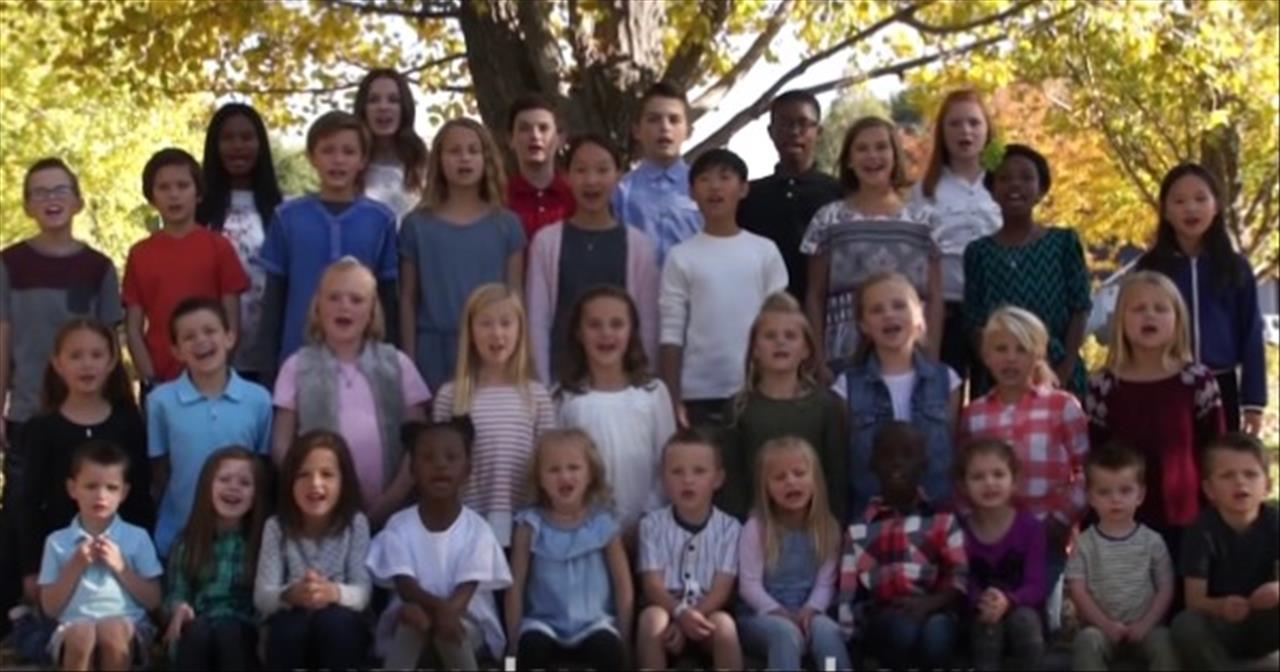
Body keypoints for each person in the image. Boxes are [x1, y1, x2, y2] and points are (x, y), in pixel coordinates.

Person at [1, 159, 125, 634]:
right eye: (39, 192)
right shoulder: (10, 264)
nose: (50, 199)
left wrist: (119, 407)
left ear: (78, 200)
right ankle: (19, 605)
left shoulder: (98, 267)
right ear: (27, 205)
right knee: (23, 506)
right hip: (29, 407)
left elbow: (111, 344)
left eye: (60, 190)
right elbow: (3, 338)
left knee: (86, 502)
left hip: (86, 413)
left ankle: (88, 603)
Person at [271, 258, 430, 527]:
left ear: (372, 312)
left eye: (356, 300)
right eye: (334, 297)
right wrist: (311, 490)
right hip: (322, 514)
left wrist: (392, 499)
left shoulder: (398, 364)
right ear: (318, 306)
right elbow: (281, 445)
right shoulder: (297, 366)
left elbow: (418, 441)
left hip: (393, 513)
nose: (344, 306)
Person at [1085, 271, 1225, 554]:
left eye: (1161, 308)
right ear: (1121, 320)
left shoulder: (1197, 381)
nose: (1149, 315)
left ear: (1178, 319)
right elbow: (1093, 454)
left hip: (1186, 520)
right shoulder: (1103, 385)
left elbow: (1215, 450)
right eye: (1138, 309)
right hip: (1121, 522)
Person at [255, 110, 400, 376]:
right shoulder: (287, 217)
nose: (338, 160)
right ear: (312, 157)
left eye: (348, 152)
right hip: (298, 355)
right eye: (328, 150)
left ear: (362, 159)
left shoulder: (381, 220)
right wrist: (267, 369)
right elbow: (274, 298)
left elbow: (388, 298)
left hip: (364, 361)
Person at [20, 320, 152, 604]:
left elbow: (141, 495)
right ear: (58, 363)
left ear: (112, 361)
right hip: (61, 560)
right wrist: (31, 567)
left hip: (121, 557)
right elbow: (29, 502)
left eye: (96, 355)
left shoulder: (128, 423)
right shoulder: (43, 428)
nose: (87, 365)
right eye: (76, 356)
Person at [366, 418, 512, 670]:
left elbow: (465, 592)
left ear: (467, 470)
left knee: (447, 626)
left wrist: (443, 613)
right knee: (414, 619)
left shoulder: (477, 530)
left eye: (451, 457)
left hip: (466, 624)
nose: (440, 465)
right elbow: (406, 587)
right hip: (413, 620)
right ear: (412, 470)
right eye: (428, 458)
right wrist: (437, 611)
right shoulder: (398, 526)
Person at [659, 148, 788, 431]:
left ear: (743, 189)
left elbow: (781, 321)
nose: (715, 187)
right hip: (699, 393)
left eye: (725, 177)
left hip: (757, 388)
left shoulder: (764, 252)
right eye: (704, 179)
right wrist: (671, 397)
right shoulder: (681, 257)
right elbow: (671, 331)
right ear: (691, 192)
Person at [801, 116, 943, 372]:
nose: (872, 156)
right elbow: (815, 295)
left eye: (881, 147)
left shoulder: (925, 220)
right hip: (844, 360)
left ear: (895, 155)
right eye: (862, 149)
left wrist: (931, 356)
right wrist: (818, 361)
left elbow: (934, 297)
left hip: (910, 358)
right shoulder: (828, 219)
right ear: (849, 160)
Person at [960, 306, 1088, 589]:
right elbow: (962, 476)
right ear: (987, 356)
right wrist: (971, 522)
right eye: (1001, 349)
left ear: (1038, 355)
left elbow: (1086, 470)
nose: (1010, 358)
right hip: (991, 540)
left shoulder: (1062, 407)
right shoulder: (975, 415)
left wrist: (1062, 518)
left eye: (1021, 349)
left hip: (1046, 535)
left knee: (1034, 608)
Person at [1135, 164, 1266, 435]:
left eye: (1200, 199)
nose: (1191, 208)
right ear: (1165, 210)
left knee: (1219, 458)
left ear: (1216, 206)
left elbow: (1252, 332)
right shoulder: (1150, 267)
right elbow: (1132, 328)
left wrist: (1253, 402)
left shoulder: (1235, 267)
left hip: (1221, 385)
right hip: (1164, 383)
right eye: (1179, 201)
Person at [400, 117, 525, 390]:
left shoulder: (507, 225)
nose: (464, 158)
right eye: (454, 151)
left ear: (486, 158)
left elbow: (515, 296)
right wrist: (409, 364)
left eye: (473, 150)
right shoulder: (416, 225)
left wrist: (518, 358)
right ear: (439, 160)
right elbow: (408, 299)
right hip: (434, 351)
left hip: (491, 350)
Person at [526, 133, 659, 384]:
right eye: (581, 170)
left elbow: (648, 321)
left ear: (618, 175)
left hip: (623, 384)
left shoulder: (638, 245)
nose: (591, 180)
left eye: (602, 170)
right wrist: (541, 387)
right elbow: (537, 320)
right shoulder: (546, 242)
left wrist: (645, 379)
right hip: (561, 381)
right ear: (567, 176)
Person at [432, 284, 556, 547]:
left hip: (522, 524)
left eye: (506, 323)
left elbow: (549, 462)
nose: (496, 333)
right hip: (467, 523)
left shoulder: (536, 395)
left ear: (520, 330)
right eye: (485, 323)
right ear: (470, 331)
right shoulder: (450, 396)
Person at [148, 298, 273, 557]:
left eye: (210, 331)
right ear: (176, 351)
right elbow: (159, 469)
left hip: (240, 540)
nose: (201, 341)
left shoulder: (258, 399)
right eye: (189, 336)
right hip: (179, 536)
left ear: (229, 337)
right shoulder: (160, 402)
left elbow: (262, 467)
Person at [964, 143, 1091, 398]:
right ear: (992, 190)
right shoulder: (979, 252)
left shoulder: (1063, 243)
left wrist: (1064, 370)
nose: (1015, 184)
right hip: (999, 376)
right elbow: (975, 321)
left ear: (1041, 190)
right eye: (1004, 178)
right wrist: (997, 370)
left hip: (1059, 369)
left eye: (1026, 178)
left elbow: (1080, 308)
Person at [838, 422, 966, 670]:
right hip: (886, 619)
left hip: (935, 609)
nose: (897, 463)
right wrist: (849, 639)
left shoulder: (942, 519)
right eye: (887, 455)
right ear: (872, 463)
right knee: (903, 630)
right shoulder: (859, 528)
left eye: (908, 455)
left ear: (924, 463)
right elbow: (848, 595)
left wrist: (930, 604)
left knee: (936, 636)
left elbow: (960, 576)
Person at [505, 429, 634, 671]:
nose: (564, 476)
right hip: (543, 623)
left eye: (574, 467)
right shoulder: (530, 525)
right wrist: (513, 642)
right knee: (529, 650)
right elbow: (515, 586)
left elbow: (623, 585)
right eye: (553, 470)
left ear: (591, 473)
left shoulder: (603, 524)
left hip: (594, 623)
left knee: (608, 651)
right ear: (539, 478)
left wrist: (624, 638)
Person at [123, 148, 249, 387]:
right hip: (161, 379)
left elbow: (232, 319)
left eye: (182, 186)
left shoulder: (219, 247)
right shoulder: (140, 254)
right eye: (164, 188)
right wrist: (150, 378)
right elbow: (133, 328)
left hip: (213, 376)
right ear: (151, 197)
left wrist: (218, 370)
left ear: (198, 193)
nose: (174, 195)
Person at [839, 272, 960, 517]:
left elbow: (955, 448)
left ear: (919, 315)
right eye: (877, 310)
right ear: (863, 325)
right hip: (871, 523)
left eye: (899, 305)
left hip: (935, 521)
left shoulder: (946, 381)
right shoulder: (846, 386)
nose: (889, 315)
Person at [555, 286, 674, 534]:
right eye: (594, 325)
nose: (606, 333)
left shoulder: (653, 393)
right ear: (578, 332)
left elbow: (667, 462)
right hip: (584, 531)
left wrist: (646, 520)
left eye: (617, 324)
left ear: (632, 331)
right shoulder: (564, 397)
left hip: (648, 531)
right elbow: (556, 466)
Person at [37, 441, 163, 671]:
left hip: (129, 624)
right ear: (72, 488)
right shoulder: (57, 542)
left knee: (112, 630)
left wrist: (121, 567)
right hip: (72, 626)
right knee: (81, 634)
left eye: (111, 488)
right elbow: (50, 608)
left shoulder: (137, 537)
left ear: (124, 492)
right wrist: (75, 565)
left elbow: (153, 599)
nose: (101, 495)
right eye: (91, 486)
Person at [720, 292, 845, 522]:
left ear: (806, 349)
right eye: (770, 336)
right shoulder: (739, 409)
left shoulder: (827, 405)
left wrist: (835, 527)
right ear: (755, 349)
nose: (780, 342)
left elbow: (838, 478)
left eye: (790, 336)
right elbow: (733, 484)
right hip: (757, 529)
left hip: (817, 528)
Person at [255, 430, 372, 670]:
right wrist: (290, 594)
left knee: (335, 623)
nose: (315, 484)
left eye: (327, 474)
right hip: (292, 618)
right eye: (303, 475)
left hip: (341, 619)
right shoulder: (276, 527)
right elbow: (262, 597)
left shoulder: (355, 524)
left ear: (343, 481)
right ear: (290, 481)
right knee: (289, 629)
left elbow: (363, 592)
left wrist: (333, 593)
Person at [909, 89, 1002, 383]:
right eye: (955, 123)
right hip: (944, 311)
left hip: (995, 310)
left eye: (974, 123)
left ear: (987, 129)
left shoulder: (1003, 184)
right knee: (944, 389)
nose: (965, 131)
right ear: (942, 132)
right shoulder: (924, 191)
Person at [739, 437, 849, 671]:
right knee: (785, 634)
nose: (791, 481)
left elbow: (825, 583)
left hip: (809, 610)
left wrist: (811, 610)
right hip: (762, 614)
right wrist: (778, 612)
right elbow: (749, 585)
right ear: (766, 488)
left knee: (827, 632)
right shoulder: (757, 528)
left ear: (815, 480)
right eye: (779, 477)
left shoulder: (828, 528)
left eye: (799, 473)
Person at [634, 430, 742, 670]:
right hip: (667, 610)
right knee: (651, 620)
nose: (688, 480)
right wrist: (680, 614)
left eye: (699, 471)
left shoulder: (730, 528)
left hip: (707, 614)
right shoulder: (651, 525)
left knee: (725, 626)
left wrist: (690, 620)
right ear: (663, 478)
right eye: (677, 472)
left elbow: (721, 589)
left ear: (718, 479)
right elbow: (652, 585)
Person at [1172, 433, 1279, 670]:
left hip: (1266, 623)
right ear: (1209, 490)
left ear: (1268, 485)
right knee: (1184, 624)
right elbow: (1194, 601)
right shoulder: (1200, 531)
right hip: (1221, 628)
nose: (1240, 482)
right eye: (1227, 476)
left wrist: (1276, 589)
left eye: (1250, 474)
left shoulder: (1275, 522)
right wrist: (1221, 606)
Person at [1066, 443, 1177, 671]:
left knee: (1165, 641)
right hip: (1100, 629)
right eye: (1104, 492)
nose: (1115, 499)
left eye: (1125, 491)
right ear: (1091, 497)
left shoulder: (1152, 541)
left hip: (1146, 629)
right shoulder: (1084, 543)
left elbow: (1166, 586)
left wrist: (1146, 624)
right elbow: (1078, 590)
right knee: (1086, 641)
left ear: (1140, 495)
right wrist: (1106, 625)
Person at [196, 103, 284, 381]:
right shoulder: (196, 211)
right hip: (209, 352)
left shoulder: (285, 211)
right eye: (228, 138)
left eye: (246, 138)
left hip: (271, 351)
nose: (237, 146)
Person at [163, 447, 270, 670]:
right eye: (224, 479)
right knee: (198, 632)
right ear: (207, 487)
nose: (233, 487)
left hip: (243, 631)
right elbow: (177, 591)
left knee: (228, 632)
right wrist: (179, 607)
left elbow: (265, 603)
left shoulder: (262, 542)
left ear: (256, 495)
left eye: (244, 483)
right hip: (200, 625)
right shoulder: (187, 542)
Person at [739, 90, 842, 303]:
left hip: (825, 312)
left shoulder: (839, 194)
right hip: (762, 311)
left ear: (819, 131)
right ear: (771, 131)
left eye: (803, 124)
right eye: (785, 123)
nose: (795, 132)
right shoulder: (749, 196)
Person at [955, 439, 1046, 671]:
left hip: (1023, 611)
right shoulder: (959, 531)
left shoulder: (1030, 528)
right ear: (963, 486)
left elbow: (1036, 585)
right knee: (987, 625)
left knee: (1024, 620)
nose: (989, 483)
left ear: (1014, 481)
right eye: (978, 477)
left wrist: (1008, 601)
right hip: (980, 615)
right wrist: (982, 601)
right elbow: (962, 580)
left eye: (998, 474)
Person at [614, 82, 703, 264]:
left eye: (674, 120)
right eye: (653, 119)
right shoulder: (621, 191)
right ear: (636, 130)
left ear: (689, 131)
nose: (664, 127)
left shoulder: (704, 188)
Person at [354, 68, 428, 224]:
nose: (383, 107)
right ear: (363, 108)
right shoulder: (350, 162)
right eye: (374, 100)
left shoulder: (423, 164)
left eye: (393, 100)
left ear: (404, 108)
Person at [506, 93, 575, 242]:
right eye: (524, 128)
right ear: (510, 139)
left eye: (543, 128)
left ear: (560, 138)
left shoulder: (577, 195)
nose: (535, 136)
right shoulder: (499, 200)